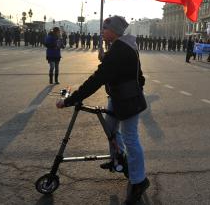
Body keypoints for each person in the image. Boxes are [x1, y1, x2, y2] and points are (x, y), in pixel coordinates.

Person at [56, 16, 149, 204]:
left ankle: (139, 181)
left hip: (128, 100)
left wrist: (71, 100)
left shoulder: (120, 49)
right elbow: (138, 75)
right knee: (111, 130)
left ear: (113, 30)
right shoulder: (121, 46)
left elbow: (98, 79)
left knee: (131, 138)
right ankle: (118, 160)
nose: (102, 32)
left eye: (104, 29)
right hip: (119, 96)